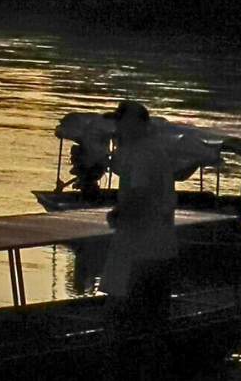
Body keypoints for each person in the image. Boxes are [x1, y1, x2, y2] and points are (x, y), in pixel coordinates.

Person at [99, 101, 177, 379]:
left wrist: (117, 215)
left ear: (135, 125)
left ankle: (121, 369)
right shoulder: (153, 150)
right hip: (160, 249)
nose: (117, 127)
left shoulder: (142, 154)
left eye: (121, 122)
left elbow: (138, 195)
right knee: (154, 323)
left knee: (121, 318)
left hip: (139, 251)